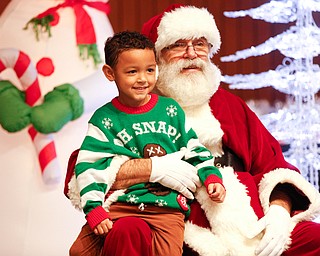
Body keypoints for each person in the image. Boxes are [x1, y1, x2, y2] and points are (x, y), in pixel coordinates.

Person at [66, 4, 320, 256]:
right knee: (133, 233)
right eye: (177, 44)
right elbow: (84, 166)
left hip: (249, 222)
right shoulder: (130, 106)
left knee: (314, 238)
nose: (191, 53)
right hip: (176, 223)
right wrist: (151, 169)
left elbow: (274, 166)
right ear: (156, 56)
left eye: (200, 43)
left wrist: (278, 212)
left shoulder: (229, 106)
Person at [70, 30, 226, 256]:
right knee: (79, 252)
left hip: (167, 209)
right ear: (110, 73)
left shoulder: (170, 110)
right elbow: (89, 165)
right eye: (132, 72)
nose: (143, 79)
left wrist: (211, 176)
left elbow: (194, 148)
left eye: (150, 70)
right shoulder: (104, 119)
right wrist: (93, 209)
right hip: (121, 205)